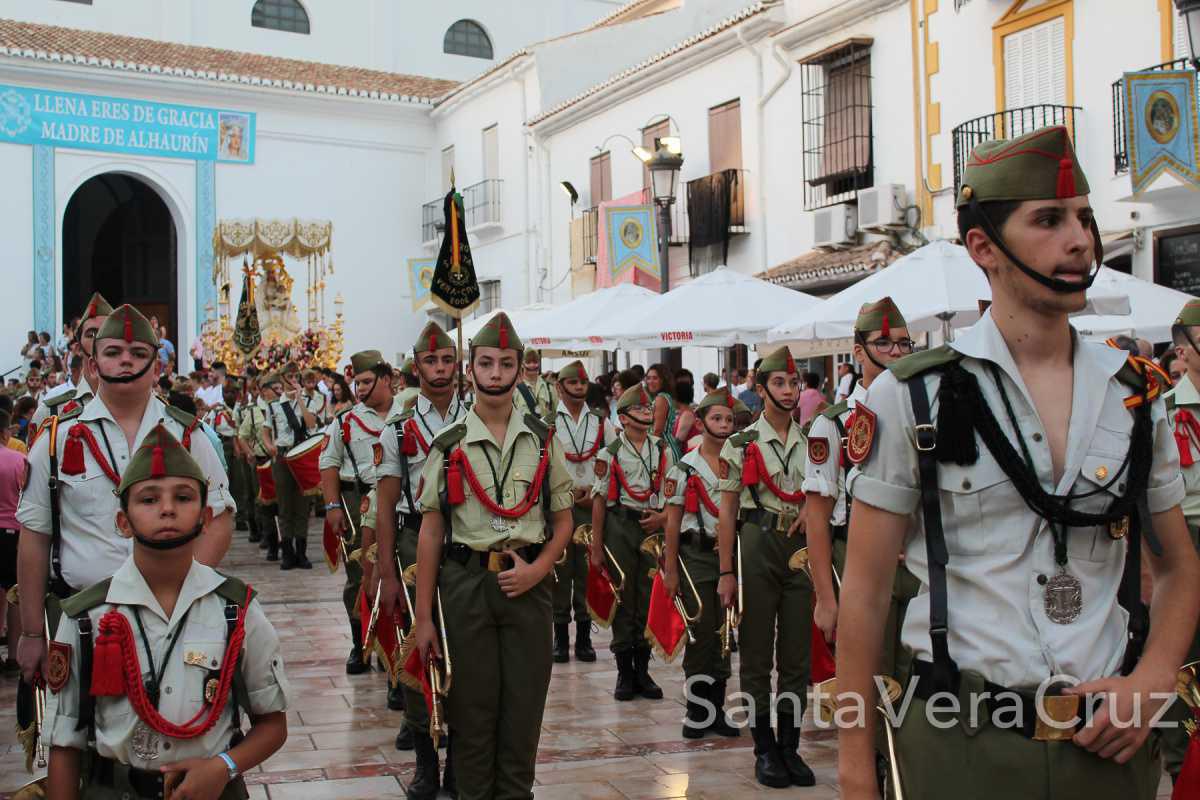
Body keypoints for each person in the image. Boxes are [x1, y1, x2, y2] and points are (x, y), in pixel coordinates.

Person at [836, 126, 1200, 800]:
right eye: (1050, 219)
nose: (1081, 240)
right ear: (984, 247)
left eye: (1085, 219)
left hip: (1107, 748)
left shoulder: (1134, 394)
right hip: (960, 746)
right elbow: (863, 594)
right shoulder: (913, 396)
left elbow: (1178, 567)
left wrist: (1151, 682)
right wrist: (857, 770)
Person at [43, 424, 290, 800]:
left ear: (205, 517)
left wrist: (224, 767)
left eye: (184, 496)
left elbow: (272, 723)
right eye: (148, 499)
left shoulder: (236, 610)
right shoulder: (85, 618)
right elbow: (64, 745)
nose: (168, 509)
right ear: (123, 522)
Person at [15, 304, 235, 689]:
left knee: (176, 734)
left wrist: (182, 588)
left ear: (157, 367)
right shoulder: (56, 438)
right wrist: (33, 632)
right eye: (113, 353)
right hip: (83, 620)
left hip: (172, 619)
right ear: (94, 365)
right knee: (79, 740)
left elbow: (218, 518)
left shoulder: (188, 437)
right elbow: (34, 537)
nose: (125, 362)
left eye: (138, 354)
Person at [410, 312, 573, 800]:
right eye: (486, 363)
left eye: (506, 363)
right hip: (466, 586)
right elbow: (431, 531)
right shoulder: (449, 443)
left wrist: (540, 568)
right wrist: (423, 619)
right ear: (471, 369)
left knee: (523, 715)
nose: (496, 373)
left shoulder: (542, 438)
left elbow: (564, 518)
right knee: (472, 718)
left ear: (521, 368)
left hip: (527, 585)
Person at [716, 346, 815, 788]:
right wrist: (725, 572)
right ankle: (764, 748)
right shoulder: (741, 443)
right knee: (756, 650)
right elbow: (727, 510)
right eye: (779, 383)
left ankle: (790, 746)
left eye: (794, 383)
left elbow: (824, 493)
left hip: (799, 547)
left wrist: (814, 511)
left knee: (796, 651)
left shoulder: (814, 440)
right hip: (756, 540)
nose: (790, 391)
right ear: (761, 389)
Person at [375, 322, 468, 788]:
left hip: (468, 542)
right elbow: (386, 505)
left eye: (447, 360)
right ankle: (426, 760)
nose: (439, 369)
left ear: (458, 364)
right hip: (414, 541)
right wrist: (387, 572)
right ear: (416, 367)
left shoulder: (477, 417)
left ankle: (459, 763)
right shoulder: (400, 427)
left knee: (465, 651)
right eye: (431, 361)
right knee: (419, 647)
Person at [805, 298, 917, 674]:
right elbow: (817, 518)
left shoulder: (925, 415)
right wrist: (825, 598)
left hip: (916, 566)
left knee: (920, 684)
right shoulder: (833, 424)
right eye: (884, 343)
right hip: (857, 562)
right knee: (870, 682)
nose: (896, 352)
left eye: (904, 344)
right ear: (859, 351)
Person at [663, 390, 745, 740]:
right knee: (700, 630)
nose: (724, 425)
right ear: (701, 422)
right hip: (695, 554)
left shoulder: (739, 461)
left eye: (729, 419)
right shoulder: (684, 467)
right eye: (717, 418)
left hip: (729, 554)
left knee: (724, 631)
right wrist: (669, 569)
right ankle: (697, 711)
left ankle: (716, 709)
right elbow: (671, 520)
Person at [591, 384, 675, 701]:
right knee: (623, 595)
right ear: (624, 418)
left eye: (648, 408)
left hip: (650, 526)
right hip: (620, 525)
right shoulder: (609, 454)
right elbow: (599, 501)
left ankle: (643, 669)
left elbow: (670, 496)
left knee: (647, 594)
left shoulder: (661, 449)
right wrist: (597, 546)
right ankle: (625, 672)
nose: (647, 413)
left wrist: (663, 518)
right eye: (639, 410)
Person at [319, 350, 396, 675]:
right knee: (360, 576)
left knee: (397, 572)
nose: (360, 388)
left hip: (397, 501)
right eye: (357, 382)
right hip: (358, 500)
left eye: (367, 381)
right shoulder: (346, 421)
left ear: (387, 379)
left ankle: (391, 648)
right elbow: (328, 462)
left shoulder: (408, 414)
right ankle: (360, 644)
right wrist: (333, 505)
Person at [1161, 297, 1200, 783]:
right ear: (1184, 350)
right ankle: (1178, 760)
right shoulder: (1164, 409)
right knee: (1180, 653)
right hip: (1184, 538)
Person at [550, 360, 611, 663]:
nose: (578, 388)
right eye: (572, 383)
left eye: (582, 384)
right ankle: (561, 638)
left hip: (591, 506)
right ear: (559, 387)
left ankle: (585, 639)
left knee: (588, 570)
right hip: (559, 505)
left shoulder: (601, 422)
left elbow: (615, 460)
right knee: (560, 571)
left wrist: (597, 493)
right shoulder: (547, 422)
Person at [260, 368, 317, 570]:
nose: (294, 380)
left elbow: (311, 426)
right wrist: (269, 446)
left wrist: (300, 399)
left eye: (296, 377)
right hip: (282, 457)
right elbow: (266, 430)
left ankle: (301, 551)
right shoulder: (274, 406)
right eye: (290, 377)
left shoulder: (309, 402)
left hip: (302, 456)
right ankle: (287, 552)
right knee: (284, 506)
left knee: (302, 506)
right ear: (282, 380)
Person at [238, 378, 278, 561]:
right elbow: (242, 435)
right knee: (264, 502)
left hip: (280, 459)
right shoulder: (254, 412)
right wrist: (249, 453)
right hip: (262, 460)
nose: (278, 392)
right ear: (264, 391)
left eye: (280, 388)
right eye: (274, 389)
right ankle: (269, 540)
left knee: (282, 503)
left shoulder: (282, 407)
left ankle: (285, 541)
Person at [0, 410, 25, 668]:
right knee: (15, 593)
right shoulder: (18, 460)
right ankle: (14, 656)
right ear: (5, 432)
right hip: (13, 533)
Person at [514, 348, 554, 418]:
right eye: (528, 362)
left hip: (545, 428)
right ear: (522, 364)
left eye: (535, 362)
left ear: (539, 363)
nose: (532, 365)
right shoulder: (515, 389)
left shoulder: (549, 388)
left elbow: (556, 414)